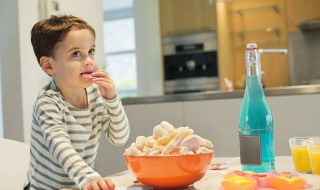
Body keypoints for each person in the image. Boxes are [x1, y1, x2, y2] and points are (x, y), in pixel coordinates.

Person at [24, 15, 130, 190]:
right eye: (76, 54)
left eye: (91, 51)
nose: (89, 61)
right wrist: (89, 177)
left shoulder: (95, 94)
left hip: (78, 185)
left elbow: (119, 138)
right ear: (49, 66)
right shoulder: (48, 102)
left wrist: (112, 99)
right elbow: (60, 146)